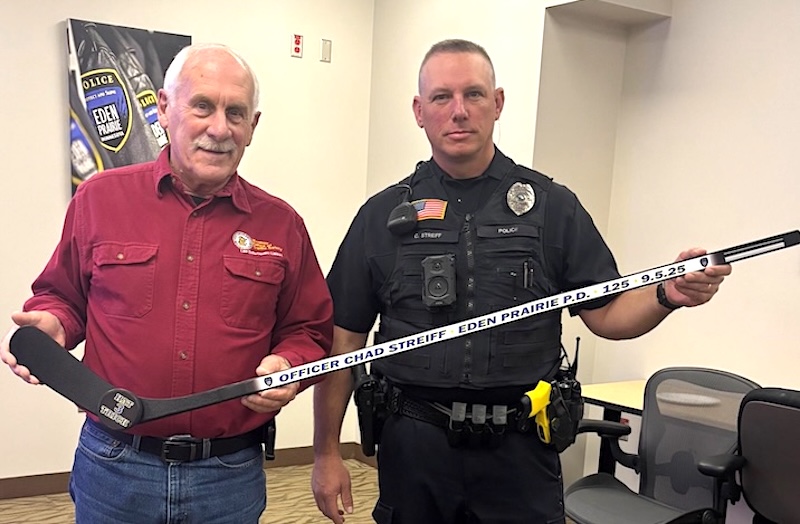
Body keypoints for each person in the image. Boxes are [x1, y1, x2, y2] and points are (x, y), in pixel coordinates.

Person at [311, 39, 731, 524]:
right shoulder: (382, 216)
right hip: (414, 447)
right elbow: (343, 342)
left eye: (474, 94)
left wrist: (667, 294)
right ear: (419, 110)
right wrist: (325, 452)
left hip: (519, 448)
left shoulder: (553, 207)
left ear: (498, 103)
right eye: (442, 97)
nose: (459, 112)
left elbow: (609, 314)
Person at [1, 43, 333, 524]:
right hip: (115, 465)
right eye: (202, 106)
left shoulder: (281, 225)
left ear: (252, 127)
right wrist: (53, 324)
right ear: (163, 109)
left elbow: (310, 330)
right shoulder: (100, 198)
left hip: (229, 472)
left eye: (235, 113)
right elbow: (63, 296)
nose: (219, 129)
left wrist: (289, 365)